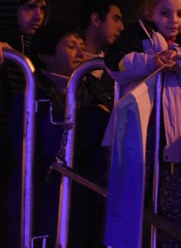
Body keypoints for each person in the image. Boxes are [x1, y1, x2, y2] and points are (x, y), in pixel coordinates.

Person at [103, 0, 181, 248]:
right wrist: (151, 61)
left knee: (171, 213)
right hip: (136, 138)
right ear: (149, 12)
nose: (173, 20)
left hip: (173, 146)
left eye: (180, 14)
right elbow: (114, 64)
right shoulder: (134, 39)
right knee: (130, 204)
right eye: (165, 13)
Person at [6, 25, 109, 247]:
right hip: (41, 196)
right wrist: (97, 115)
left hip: (82, 200)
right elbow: (58, 143)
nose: (81, 54)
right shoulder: (34, 93)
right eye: (72, 47)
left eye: (82, 47)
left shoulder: (93, 89)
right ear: (45, 54)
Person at [0, 0, 50, 244]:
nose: (37, 16)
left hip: (19, 153)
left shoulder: (31, 49)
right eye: (29, 7)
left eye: (42, 8)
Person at [79, 0, 124, 113]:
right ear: (96, 19)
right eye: (116, 19)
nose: (121, 27)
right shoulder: (67, 62)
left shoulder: (117, 66)